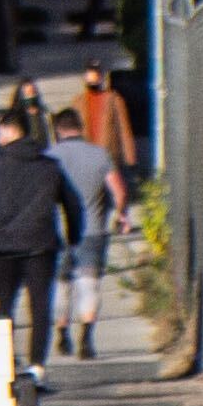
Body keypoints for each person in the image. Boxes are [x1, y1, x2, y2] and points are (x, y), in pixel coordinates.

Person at [0, 104, 83, 366]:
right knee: (40, 307)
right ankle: (37, 367)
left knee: (5, 306)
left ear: (11, 131)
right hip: (41, 244)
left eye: (0, 130)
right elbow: (73, 205)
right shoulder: (49, 166)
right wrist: (73, 236)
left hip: (4, 245)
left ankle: (6, 362)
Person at [43, 102, 128, 360]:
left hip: (59, 231)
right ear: (80, 128)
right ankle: (86, 338)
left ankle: (62, 333)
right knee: (89, 284)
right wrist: (120, 213)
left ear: (58, 131)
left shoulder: (50, 157)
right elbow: (119, 191)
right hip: (93, 230)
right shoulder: (100, 155)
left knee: (61, 285)